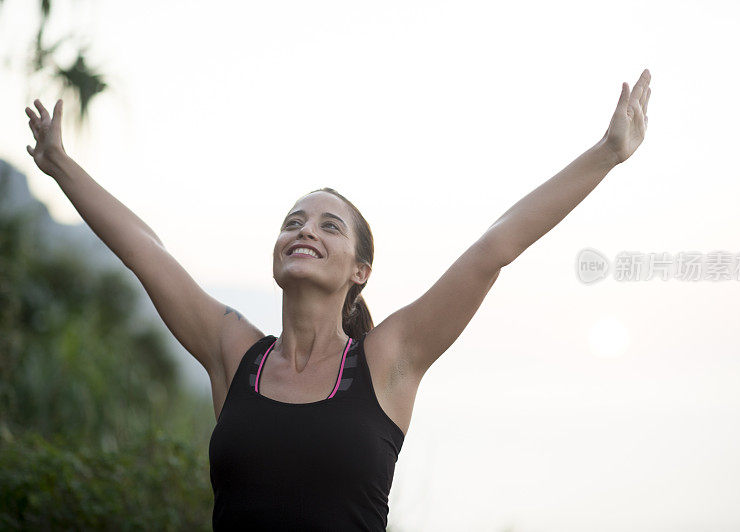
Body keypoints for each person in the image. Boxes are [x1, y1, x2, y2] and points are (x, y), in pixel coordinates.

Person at [24, 68, 652, 530]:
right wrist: (60, 165)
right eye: (294, 221)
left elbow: (494, 249)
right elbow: (146, 251)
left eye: (330, 226)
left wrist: (606, 155)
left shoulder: (388, 361)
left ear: (361, 270)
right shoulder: (234, 354)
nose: (304, 231)